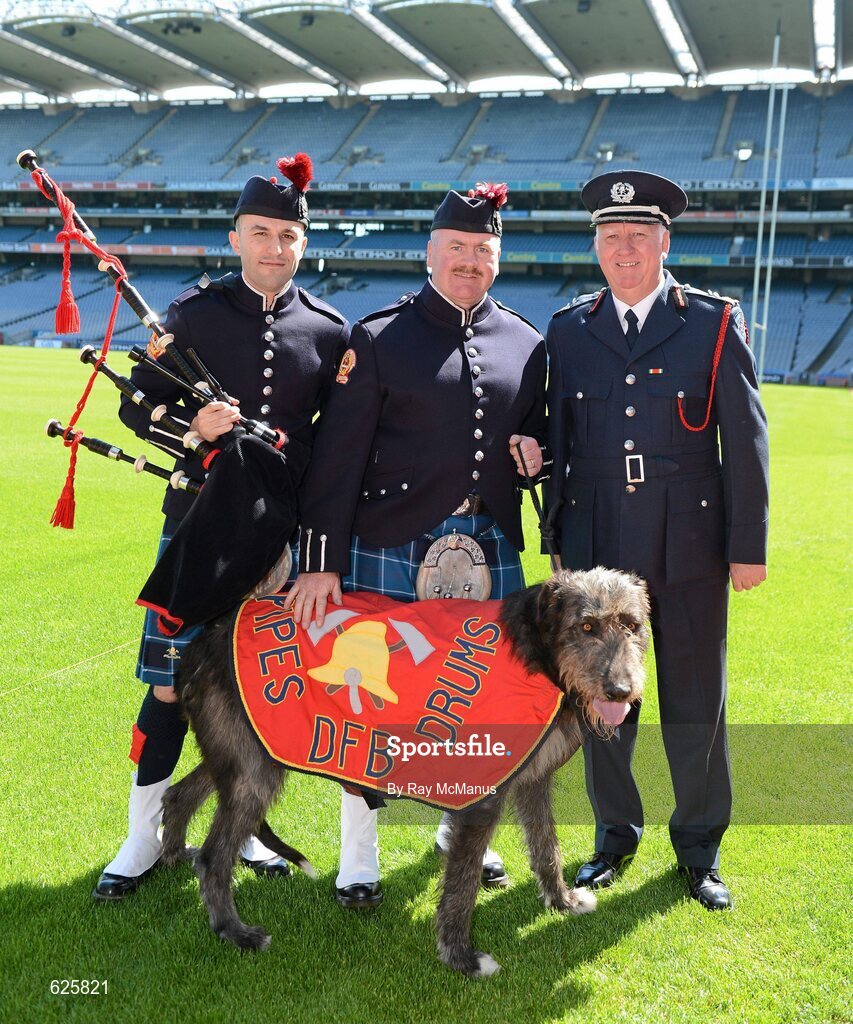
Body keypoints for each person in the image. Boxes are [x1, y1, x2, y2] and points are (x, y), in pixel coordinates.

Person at [93, 155, 350, 900]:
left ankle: (247, 830)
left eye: (288, 235)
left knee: (259, 691)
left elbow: (337, 443)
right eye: (260, 233)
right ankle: (142, 836)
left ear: (303, 244)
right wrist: (191, 429)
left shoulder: (329, 331)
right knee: (169, 687)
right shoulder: (193, 315)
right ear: (236, 237)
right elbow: (134, 404)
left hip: (277, 542)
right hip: (199, 530)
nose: (274, 247)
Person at [285, 183, 548, 909]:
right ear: (431, 252)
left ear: (498, 259)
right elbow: (336, 458)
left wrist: (539, 456)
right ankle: (359, 853)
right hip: (389, 539)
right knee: (369, 701)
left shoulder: (526, 342)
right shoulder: (377, 337)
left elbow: (538, 442)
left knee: (475, 699)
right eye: (456, 248)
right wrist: (320, 562)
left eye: (482, 250)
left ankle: (460, 832)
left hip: (488, 542)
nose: (469, 261)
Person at [544, 170, 769, 910]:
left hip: (691, 543)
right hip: (600, 548)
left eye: (638, 236)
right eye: (611, 237)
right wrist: (556, 538)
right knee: (604, 702)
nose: (624, 249)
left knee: (696, 701)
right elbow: (558, 439)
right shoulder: (569, 329)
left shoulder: (711, 321)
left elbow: (746, 438)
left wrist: (747, 544)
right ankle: (613, 838)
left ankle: (699, 850)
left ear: (664, 242)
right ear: (596, 247)